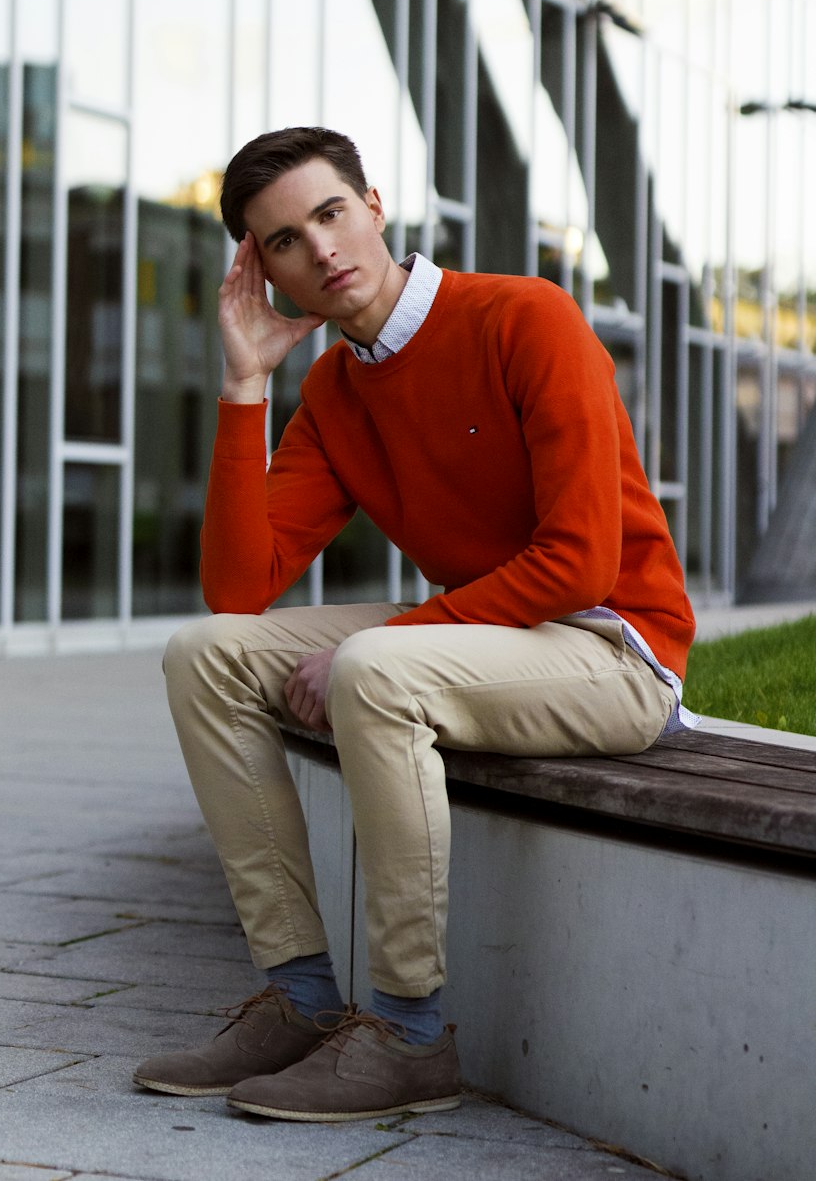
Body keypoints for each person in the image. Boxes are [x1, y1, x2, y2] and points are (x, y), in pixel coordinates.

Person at [133, 126, 696, 1123]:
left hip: (612, 650)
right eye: (283, 243)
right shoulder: (339, 391)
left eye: (329, 214)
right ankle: (303, 1002)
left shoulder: (525, 316)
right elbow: (238, 587)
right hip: (483, 642)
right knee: (203, 656)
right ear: (262, 272)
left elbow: (580, 562)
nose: (319, 251)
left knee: (372, 673)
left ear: (374, 207)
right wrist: (244, 385)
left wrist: (380, 644)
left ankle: (407, 1032)